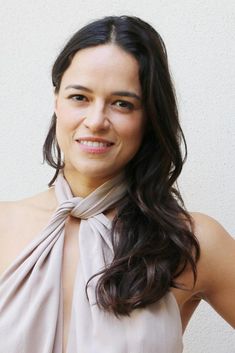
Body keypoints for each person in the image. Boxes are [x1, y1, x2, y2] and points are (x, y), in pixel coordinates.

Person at [0, 15, 234, 353]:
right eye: (79, 97)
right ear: (56, 102)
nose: (96, 121)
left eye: (122, 104)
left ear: (150, 116)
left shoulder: (190, 242)